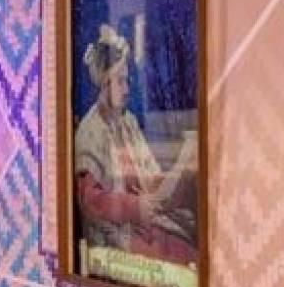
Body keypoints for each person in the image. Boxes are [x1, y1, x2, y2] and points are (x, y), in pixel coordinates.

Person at [75, 24, 196, 266]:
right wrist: (134, 207)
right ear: (104, 85)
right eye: (120, 82)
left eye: (127, 81)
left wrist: (180, 176)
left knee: (187, 248)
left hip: (146, 224)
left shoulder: (128, 122)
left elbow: (148, 175)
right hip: (115, 236)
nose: (127, 89)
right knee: (174, 259)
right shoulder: (90, 131)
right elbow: (90, 200)